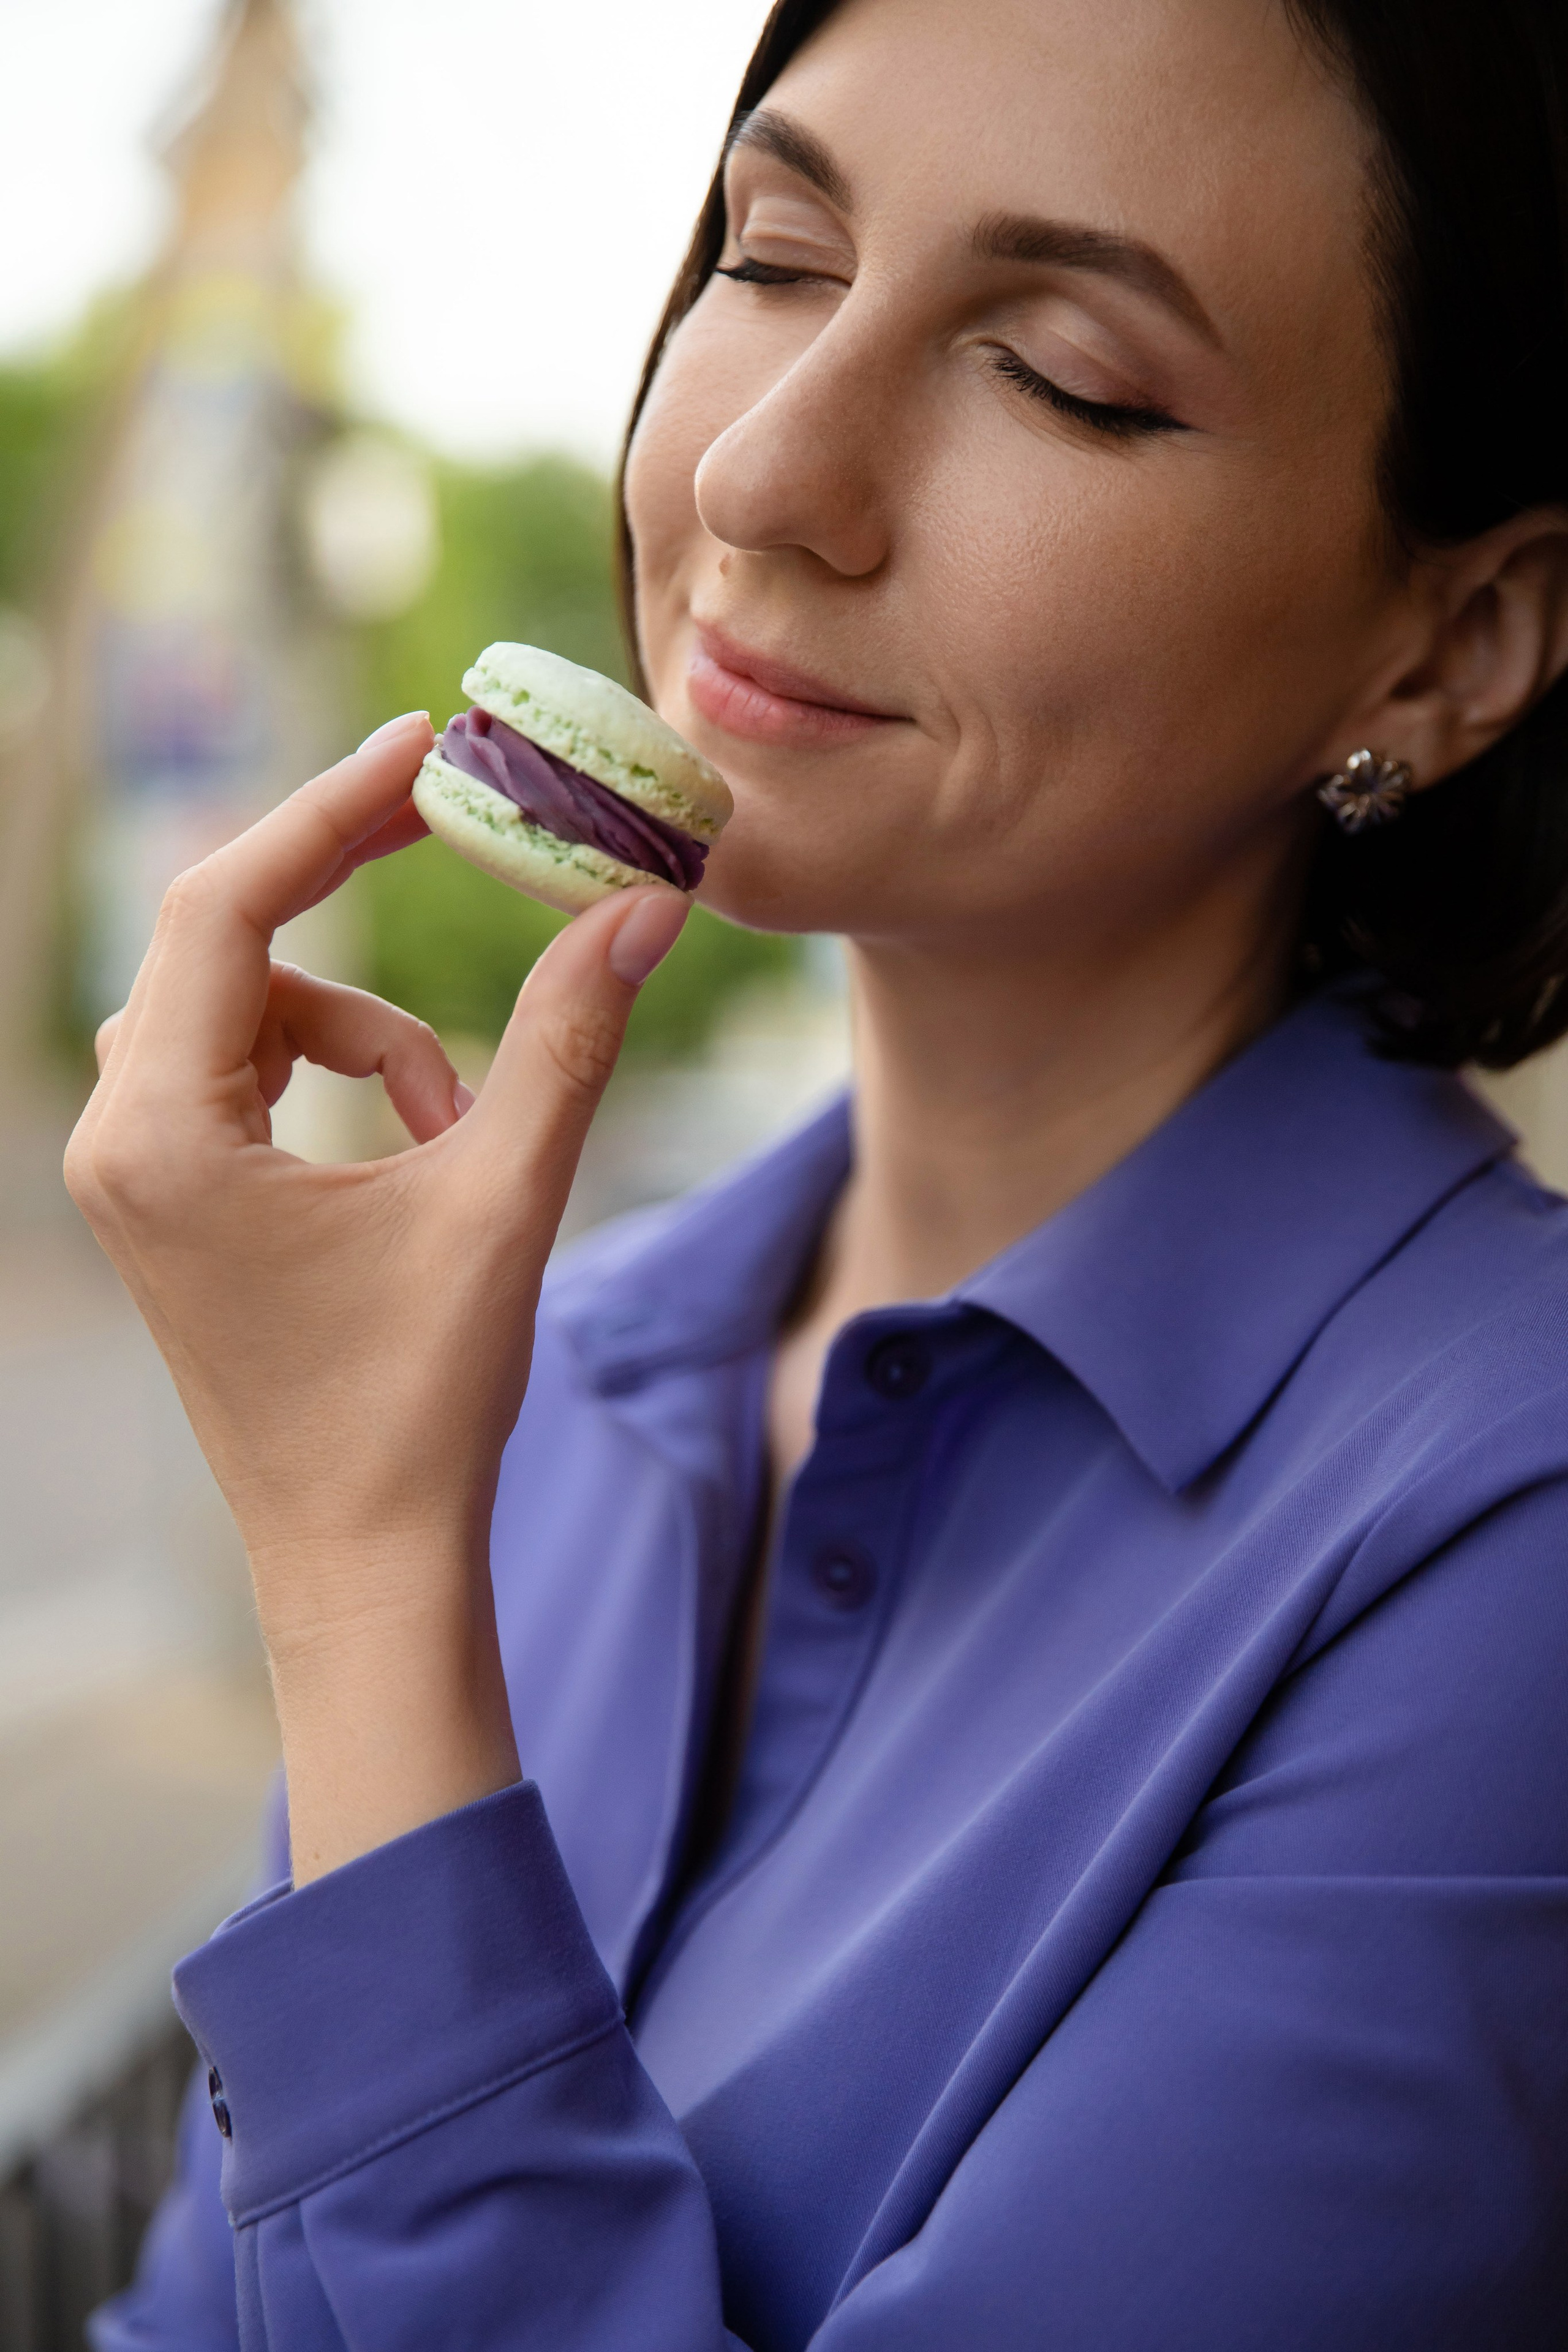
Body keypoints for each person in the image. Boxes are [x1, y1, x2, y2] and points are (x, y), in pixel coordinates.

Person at [80, 0, 1568, 2343]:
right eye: (772, 258)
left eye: (1064, 375)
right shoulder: (544, 1374)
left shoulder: (1510, 1538)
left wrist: (361, 1581)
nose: (767, 474)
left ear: (1451, 640)